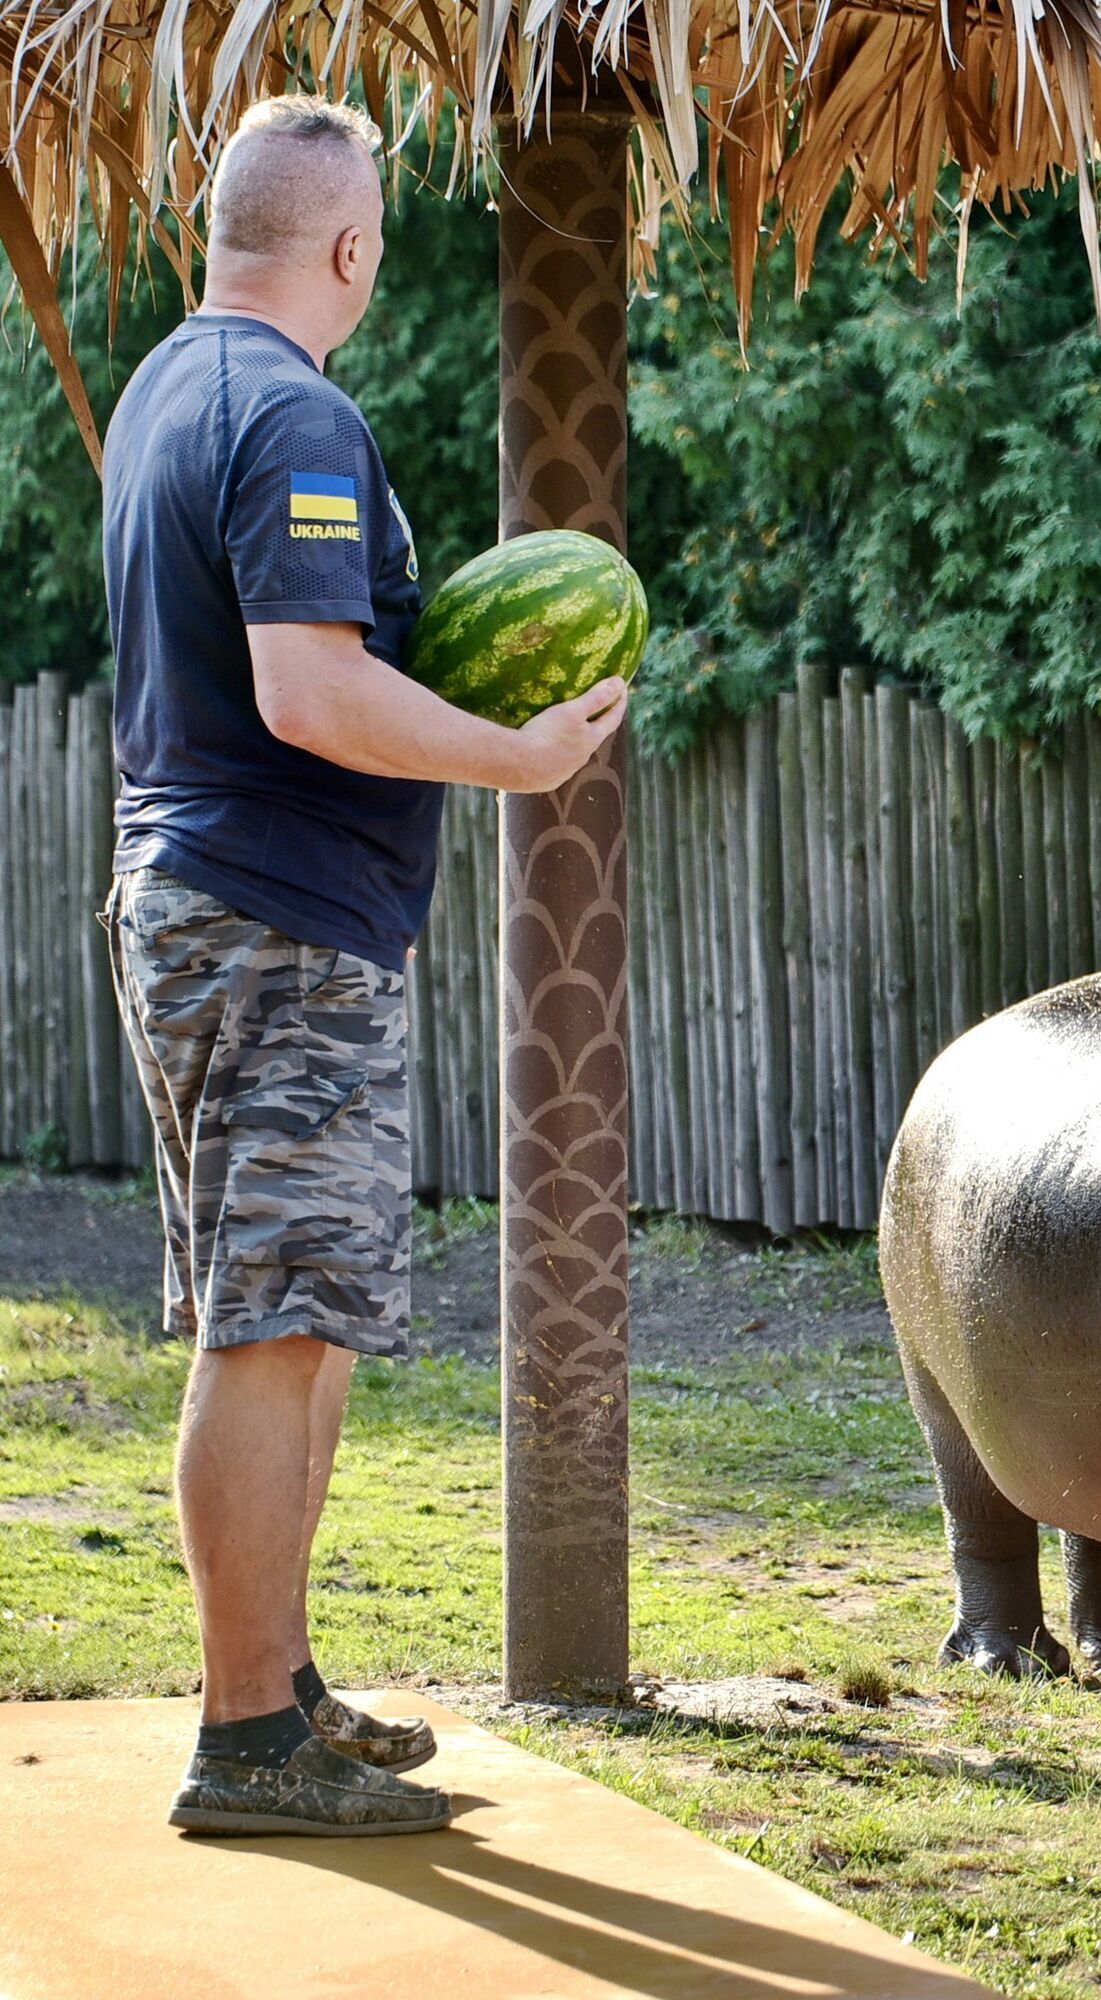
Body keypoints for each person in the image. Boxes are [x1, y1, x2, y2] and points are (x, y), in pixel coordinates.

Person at [99, 94, 628, 1837]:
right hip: (276, 920)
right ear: (350, 248)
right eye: (381, 235)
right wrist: (522, 756)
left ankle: (284, 1694)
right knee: (271, 1325)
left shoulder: (170, 394)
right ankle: (247, 1740)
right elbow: (308, 691)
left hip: (202, 900)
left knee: (293, 1320)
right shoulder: (295, 412)